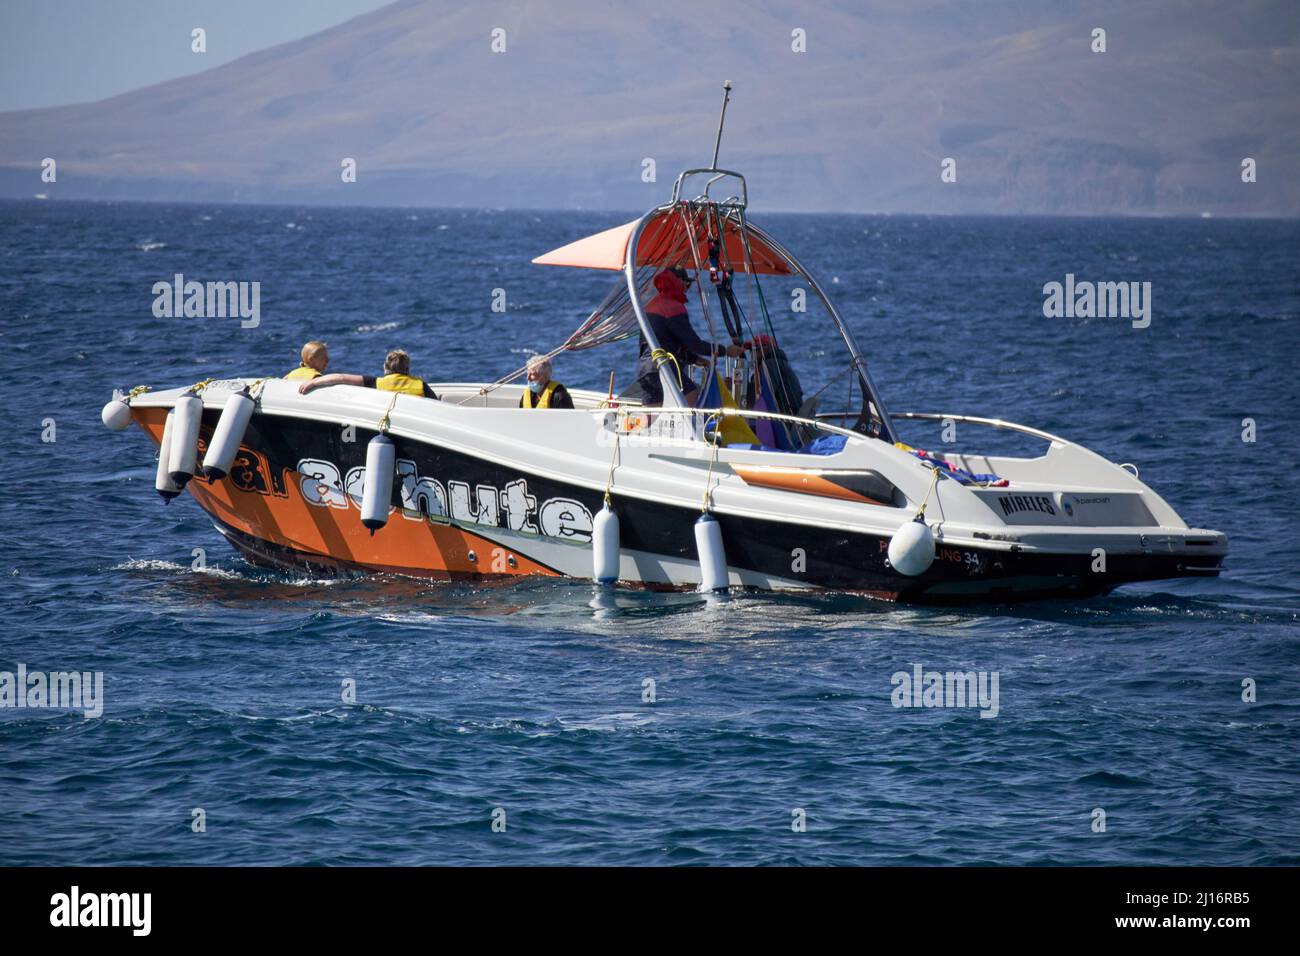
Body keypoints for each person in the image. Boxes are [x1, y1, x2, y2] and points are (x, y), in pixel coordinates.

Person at [632, 267, 743, 406]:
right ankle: (691, 428)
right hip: (664, 368)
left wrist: (694, 359)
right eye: (687, 284)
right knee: (691, 395)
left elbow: (665, 341)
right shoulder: (673, 307)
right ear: (678, 282)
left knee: (651, 416)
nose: (687, 289)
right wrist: (725, 351)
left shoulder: (651, 306)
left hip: (645, 371)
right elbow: (694, 344)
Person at [298, 348, 439, 399]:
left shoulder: (376, 383)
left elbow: (340, 378)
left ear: (385, 368)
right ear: (407, 369)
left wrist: (314, 381)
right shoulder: (421, 386)